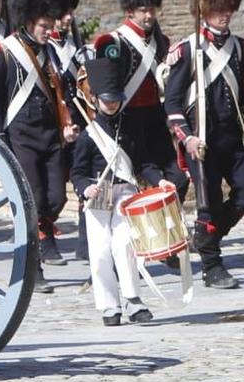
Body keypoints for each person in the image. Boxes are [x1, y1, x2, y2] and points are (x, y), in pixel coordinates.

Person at [0, 0, 83, 295]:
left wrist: (67, 121)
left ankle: (41, 237)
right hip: (20, 136)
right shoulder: (4, 53)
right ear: (27, 19)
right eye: (44, 25)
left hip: (51, 135)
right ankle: (33, 265)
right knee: (34, 199)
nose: (48, 30)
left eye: (51, 24)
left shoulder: (50, 52)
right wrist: (0, 141)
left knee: (55, 199)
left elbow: (61, 91)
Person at [162, 0, 244, 290]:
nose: (225, 15)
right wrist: (186, 137)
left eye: (228, 9)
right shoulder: (188, 49)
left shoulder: (238, 48)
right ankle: (212, 264)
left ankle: (205, 240)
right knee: (208, 203)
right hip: (202, 140)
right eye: (219, 10)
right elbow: (172, 103)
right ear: (206, 7)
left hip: (231, 138)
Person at [71, 41, 170, 326]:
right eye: (107, 99)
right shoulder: (88, 135)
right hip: (98, 195)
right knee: (100, 252)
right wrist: (83, 188)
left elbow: (143, 163)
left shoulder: (131, 127)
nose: (112, 104)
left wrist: (159, 180)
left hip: (125, 191)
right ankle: (109, 305)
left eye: (115, 99)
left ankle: (133, 299)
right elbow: (77, 173)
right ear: (97, 99)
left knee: (126, 245)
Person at [98, 0, 181, 208]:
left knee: (177, 178)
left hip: (155, 117)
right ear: (130, 8)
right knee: (119, 184)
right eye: (143, 9)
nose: (148, 15)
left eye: (151, 9)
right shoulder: (112, 42)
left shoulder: (162, 41)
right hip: (127, 118)